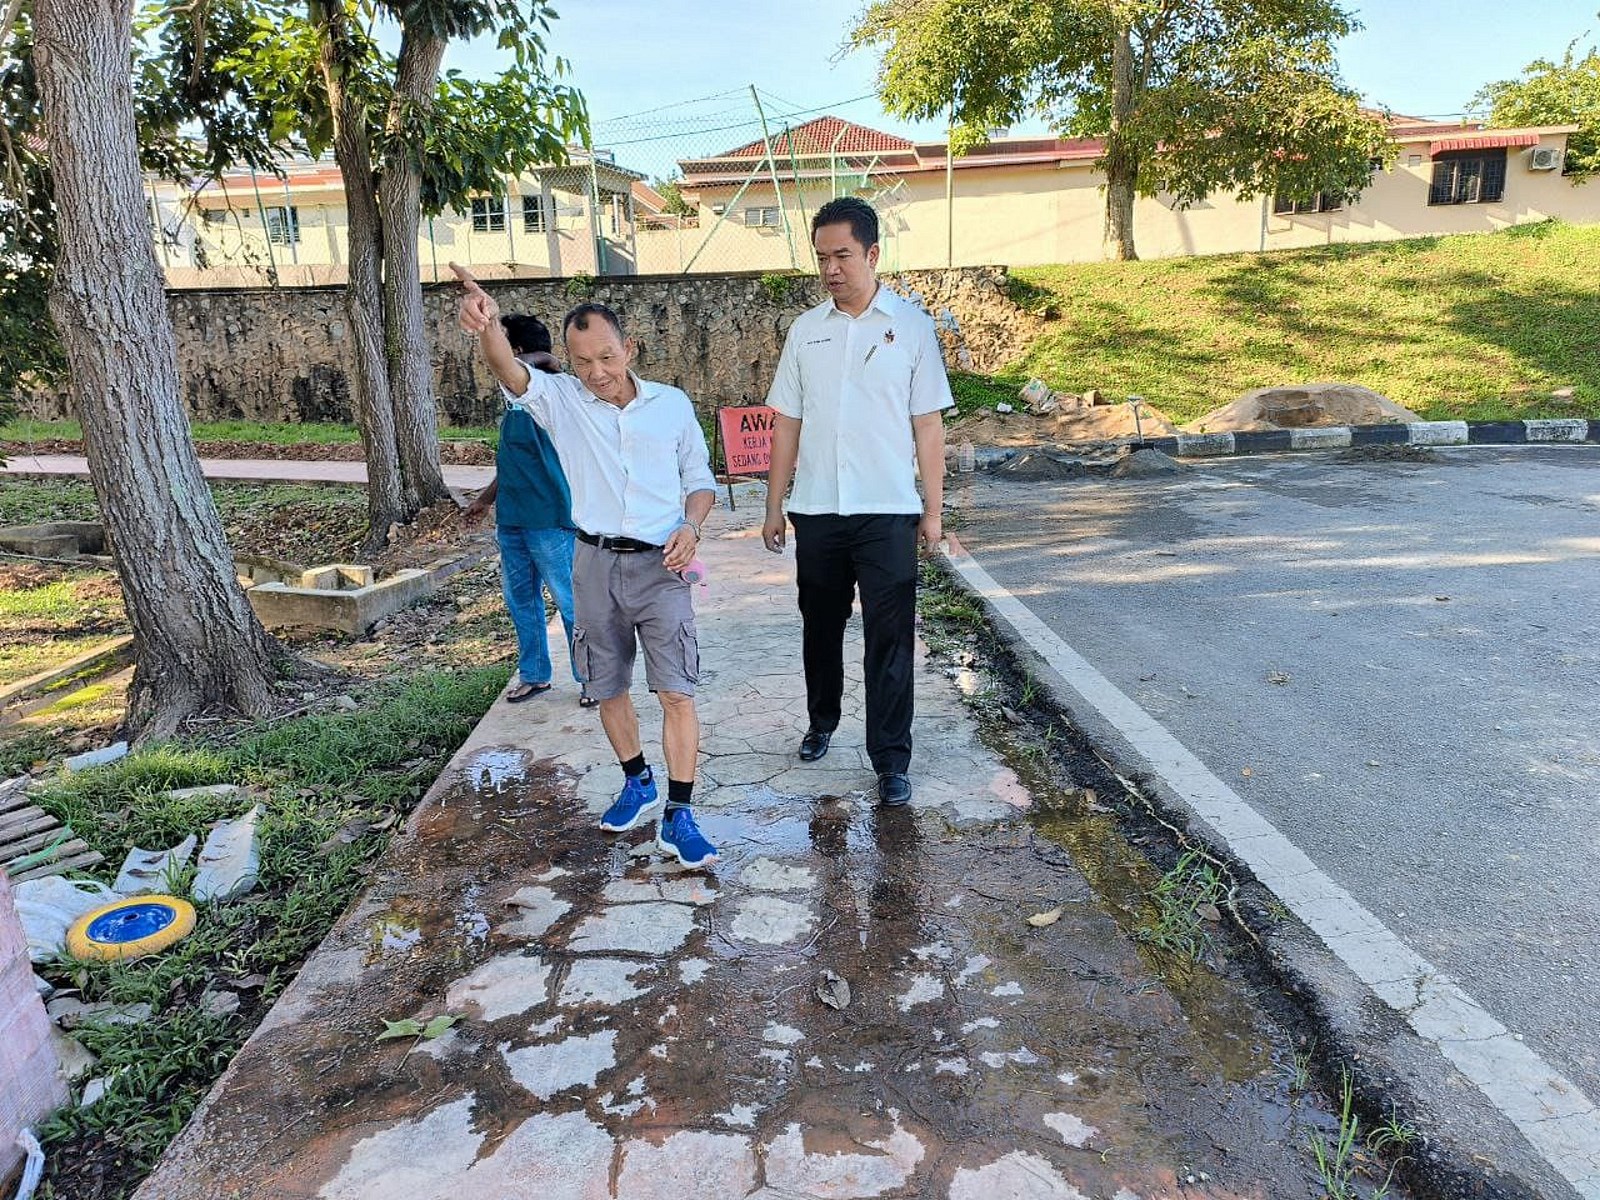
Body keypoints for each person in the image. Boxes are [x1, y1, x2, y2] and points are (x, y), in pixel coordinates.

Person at [453, 263, 720, 868]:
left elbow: (699, 482)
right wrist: (488, 326)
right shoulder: (562, 403)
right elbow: (509, 370)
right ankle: (637, 780)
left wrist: (691, 525)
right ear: (568, 362)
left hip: (663, 569)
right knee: (606, 686)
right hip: (593, 563)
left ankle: (679, 813)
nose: (597, 373)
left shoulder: (672, 407)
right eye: (582, 362)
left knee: (676, 690)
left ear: (630, 348)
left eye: (606, 356)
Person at [760, 197, 953, 808]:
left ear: (872, 254)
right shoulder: (805, 331)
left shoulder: (913, 329)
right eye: (822, 258)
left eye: (842, 255)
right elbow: (786, 422)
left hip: (887, 510)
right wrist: (774, 504)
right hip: (817, 508)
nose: (831, 269)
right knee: (820, 625)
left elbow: (928, 426)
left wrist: (933, 510)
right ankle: (822, 720)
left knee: (890, 637)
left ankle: (891, 758)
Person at [465, 313, 596, 708]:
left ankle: (591, 679)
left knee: (571, 603)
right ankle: (535, 675)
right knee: (521, 599)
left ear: (517, 351)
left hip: (551, 520)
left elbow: (547, 366)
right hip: (513, 520)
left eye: (501, 343)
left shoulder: (554, 393)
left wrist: (541, 361)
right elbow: (511, 462)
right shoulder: (514, 402)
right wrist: (484, 502)